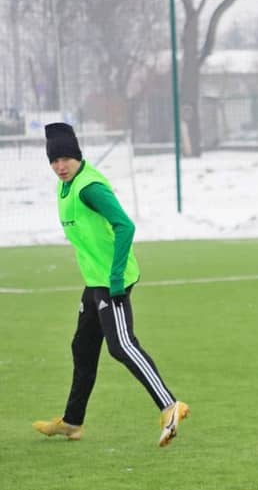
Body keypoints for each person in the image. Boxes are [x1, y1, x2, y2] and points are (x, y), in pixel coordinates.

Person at [32, 123, 189, 447]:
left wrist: (116, 278)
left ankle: (170, 406)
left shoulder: (89, 187)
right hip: (95, 281)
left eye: (65, 159)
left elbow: (125, 226)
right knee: (83, 347)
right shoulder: (65, 186)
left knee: (121, 346)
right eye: (54, 160)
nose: (60, 166)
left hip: (111, 281)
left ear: (77, 156)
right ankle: (72, 422)